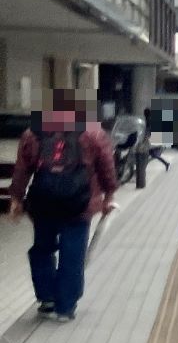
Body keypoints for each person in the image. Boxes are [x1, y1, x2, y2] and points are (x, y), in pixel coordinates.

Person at [8, 91, 119, 322]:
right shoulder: (93, 133)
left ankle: (47, 298)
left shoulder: (33, 133)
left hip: (43, 203)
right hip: (80, 204)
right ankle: (65, 308)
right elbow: (107, 167)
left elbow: (21, 170)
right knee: (73, 254)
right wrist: (109, 195)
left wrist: (17, 199)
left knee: (42, 250)